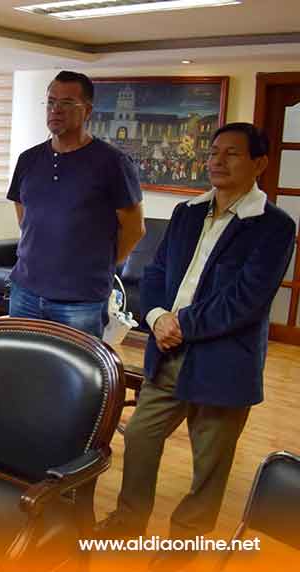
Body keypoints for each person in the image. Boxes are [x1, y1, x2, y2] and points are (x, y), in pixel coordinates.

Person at [95, 123, 296, 570]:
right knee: (141, 436)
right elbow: (156, 273)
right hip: (166, 351)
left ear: (260, 163)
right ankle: (129, 520)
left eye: (232, 154)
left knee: (211, 463)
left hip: (223, 362)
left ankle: (184, 542)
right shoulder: (187, 213)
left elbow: (246, 298)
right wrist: (155, 317)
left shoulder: (273, 226)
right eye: (213, 152)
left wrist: (180, 324)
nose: (217, 161)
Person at [7, 70, 145, 338]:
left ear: (88, 111)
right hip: (25, 292)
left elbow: (134, 229)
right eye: (51, 102)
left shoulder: (113, 163)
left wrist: (98, 264)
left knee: (74, 365)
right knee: (22, 362)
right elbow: (24, 214)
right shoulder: (28, 159)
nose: (56, 109)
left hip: (81, 300)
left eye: (67, 103)